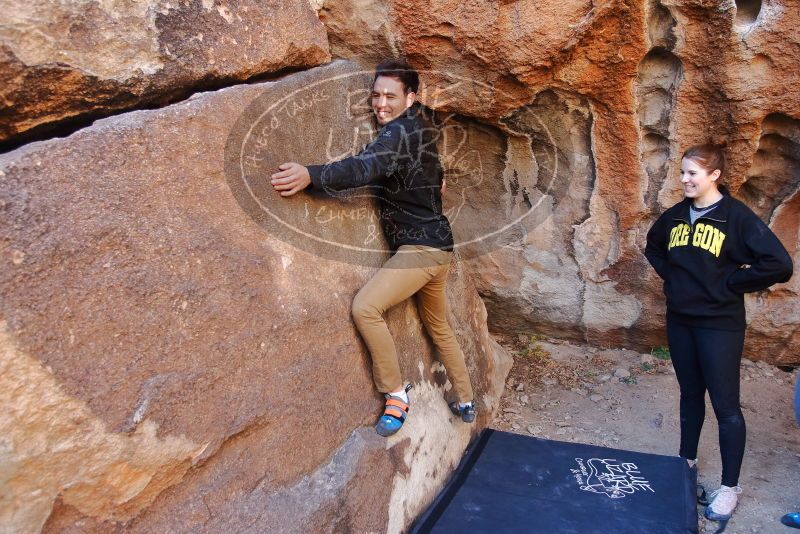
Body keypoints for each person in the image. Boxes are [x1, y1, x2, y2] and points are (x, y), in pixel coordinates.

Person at [270, 59, 476, 437]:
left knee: (366, 308)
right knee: (439, 326)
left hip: (421, 251)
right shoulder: (421, 129)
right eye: (376, 95)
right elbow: (438, 179)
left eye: (390, 96)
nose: (380, 103)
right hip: (440, 248)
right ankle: (466, 398)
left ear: (410, 98)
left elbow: (364, 168)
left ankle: (396, 396)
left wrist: (311, 175)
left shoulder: (398, 134)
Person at [645, 143, 793, 525]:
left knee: (726, 407)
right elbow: (653, 247)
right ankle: (686, 465)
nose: (684, 179)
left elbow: (779, 264)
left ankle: (730, 487)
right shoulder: (676, 217)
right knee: (690, 394)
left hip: (719, 325)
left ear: (715, 176)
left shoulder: (736, 218)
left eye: (692, 173)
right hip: (681, 320)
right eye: (682, 172)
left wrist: (732, 282)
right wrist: (675, 279)